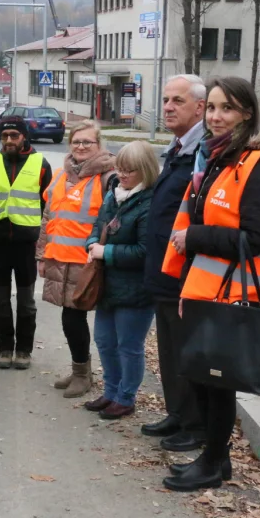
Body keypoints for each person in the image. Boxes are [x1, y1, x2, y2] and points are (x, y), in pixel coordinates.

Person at [160, 76, 260, 491]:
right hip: (204, 291)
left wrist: (195, 236)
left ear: (247, 113)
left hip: (232, 295)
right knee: (205, 379)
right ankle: (215, 461)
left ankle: (213, 461)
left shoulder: (259, 165)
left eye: (227, 109)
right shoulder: (221, 158)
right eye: (213, 108)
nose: (216, 117)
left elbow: (254, 238)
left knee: (217, 383)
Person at [141, 74, 209, 453]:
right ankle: (177, 414)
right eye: (166, 100)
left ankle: (196, 426)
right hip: (164, 271)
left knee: (188, 352)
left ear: (200, 108)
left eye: (177, 101)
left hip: (186, 274)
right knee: (169, 351)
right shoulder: (179, 148)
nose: (167, 107)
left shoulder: (204, 152)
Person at [36, 120, 117, 398]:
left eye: (87, 142)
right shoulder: (61, 175)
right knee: (70, 319)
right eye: (76, 142)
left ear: (99, 145)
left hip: (89, 263)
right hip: (60, 260)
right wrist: (42, 254)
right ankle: (80, 370)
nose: (81, 147)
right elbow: (48, 217)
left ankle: (87, 376)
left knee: (77, 319)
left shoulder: (109, 177)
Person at [83, 141, 159, 419]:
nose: (122, 175)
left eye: (130, 170)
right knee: (104, 341)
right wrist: (92, 243)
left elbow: (146, 252)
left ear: (145, 170)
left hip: (136, 290)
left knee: (128, 346)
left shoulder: (151, 202)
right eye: (120, 168)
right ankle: (111, 391)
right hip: (109, 285)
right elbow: (99, 225)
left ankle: (126, 398)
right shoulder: (114, 193)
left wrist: (106, 252)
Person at [0, 115, 53, 370]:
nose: (9, 140)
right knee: (0, 301)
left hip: (27, 244)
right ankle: (5, 348)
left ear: (24, 136)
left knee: (26, 302)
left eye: (14, 135)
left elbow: (49, 208)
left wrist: (45, 245)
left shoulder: (41, 164)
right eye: (4, 136)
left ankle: (24, 350)